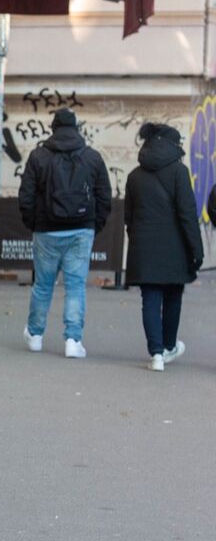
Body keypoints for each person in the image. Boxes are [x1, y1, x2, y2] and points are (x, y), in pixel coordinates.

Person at [18, 108, 113, 359]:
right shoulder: (92, 157)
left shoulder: (38, 156)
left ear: (53, 128)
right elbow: (104, 196)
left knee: (42, 285)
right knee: (75, 286)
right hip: (81, 229)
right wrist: (93, 225)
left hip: (46, 230)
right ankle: (73, 340)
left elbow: (26, 196)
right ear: (76, 128)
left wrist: (34, 224)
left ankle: (35, 335)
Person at [124, 123, 204, 372]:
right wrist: (196, 250)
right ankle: (169, 345)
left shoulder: (134, 176)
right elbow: (187, 214)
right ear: (173, 146)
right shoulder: (180, 172)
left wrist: (137, 240)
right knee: (173, 297)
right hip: (175, 248)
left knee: (149, 298)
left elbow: (129, 217)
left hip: (144, 248)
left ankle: (156, 354)